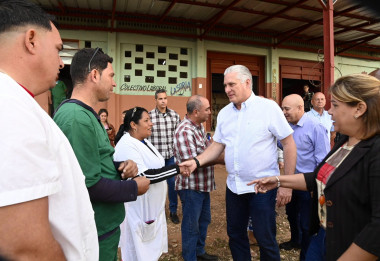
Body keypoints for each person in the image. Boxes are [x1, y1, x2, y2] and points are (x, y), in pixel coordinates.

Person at [0, 1, 99, 260]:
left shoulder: (16, 102)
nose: (61, 63)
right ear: (31, 40)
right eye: (58, 50)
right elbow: (24, 247)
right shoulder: (8, 105)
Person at [250, 74, 380, 261]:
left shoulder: (375, 151)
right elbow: (318, 177)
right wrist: (278, 180)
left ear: (359, 109)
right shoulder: (344, 141)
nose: (328, 111)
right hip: (323, 237)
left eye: (335, 105)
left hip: (351, 246)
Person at [180, 65, 297, 260]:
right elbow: (217, 145)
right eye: (225, 85)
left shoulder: (267, 108)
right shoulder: (225, 113)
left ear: (247, 82)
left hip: (263, 187)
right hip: (235, 187)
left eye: (231, 84)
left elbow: (289, 144)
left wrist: (287, 185)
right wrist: (196, 162)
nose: (227, 89)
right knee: (235, 235)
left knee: (265, 237)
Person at [54, 48, 150, 261]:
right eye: (111, 76)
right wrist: (134, 187)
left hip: (103, 228)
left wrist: (120, 167)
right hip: (93, 233)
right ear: (94, 75)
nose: (114, 83)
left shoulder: (85, 114)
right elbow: (87, 185)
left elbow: (91, 163)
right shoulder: (76, 119)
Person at [114, 106, 189, 261]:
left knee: (149, 252)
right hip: (139, 211)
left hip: (152, 209)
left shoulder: (144, 142)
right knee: (136, 252)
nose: (151, 124)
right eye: (146, 120)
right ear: (134, 125)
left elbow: (157, 167)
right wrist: (177, 169)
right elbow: (145, 176)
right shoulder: (126, 144)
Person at [279, 94, 330, 260]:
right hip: (290, 180)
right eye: (282, 109)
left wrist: (315, 187)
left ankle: (305, 255)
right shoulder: (285, 127)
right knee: (291, 215)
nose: (284, 112)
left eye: (287, 109)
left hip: (307, 184)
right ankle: (295, 241)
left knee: (307, 223)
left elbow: (322, 160)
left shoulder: (315, 127)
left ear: (300, 108)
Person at [173, 95, 222, 261]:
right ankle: (190, 256)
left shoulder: (199, 127)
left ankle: (199, 251)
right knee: (191, 225)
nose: (210, 112)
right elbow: (192, 162)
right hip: (191, 186)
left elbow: (207, 149)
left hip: (202, 185)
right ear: (195, 111)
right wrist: (222, 158)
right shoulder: (184, 131)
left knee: (204, 219)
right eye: (207, 109)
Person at [149, 89, 181, 224]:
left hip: (170, 156)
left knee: (172, 183)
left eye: (165, 98)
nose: (163, 101)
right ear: (155, 100)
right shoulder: (149, 116)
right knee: (156, 184)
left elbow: (179, 134)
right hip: (156, 157)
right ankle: (156, 211)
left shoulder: (174, 115)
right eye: (160, 99)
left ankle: (173, 210)